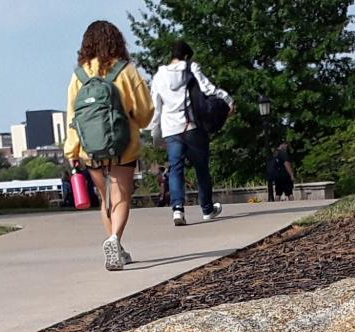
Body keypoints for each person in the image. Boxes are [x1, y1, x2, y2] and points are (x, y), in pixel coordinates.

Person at [64, 20, 154, 271]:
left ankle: (116, 245)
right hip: (123, 144)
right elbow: (145, 113)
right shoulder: (126, 71)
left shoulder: (79, 75)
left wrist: (71, 150)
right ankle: (115, 239)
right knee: (122, 195)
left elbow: (72, 117)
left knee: (106, 198)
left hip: (90, 148)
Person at [150, 39, 234, 226]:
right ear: (186, 56)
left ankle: (178, 209)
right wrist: (228, 100)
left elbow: (156, 106)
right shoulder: (191, 68)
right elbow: (208, 88)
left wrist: (154, 132)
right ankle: (207, 209)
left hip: (171, 129)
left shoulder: (159, 76)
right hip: (192, 126)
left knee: (175, 169)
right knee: (201, 168)